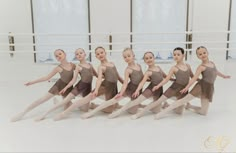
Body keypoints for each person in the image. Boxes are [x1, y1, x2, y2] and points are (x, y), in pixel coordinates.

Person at [154, 46, 231, 119]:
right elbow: (193, 78)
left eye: (204, 52)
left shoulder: (212, 63)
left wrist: (223, 76)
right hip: (201, 86)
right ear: (198, 56)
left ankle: (189, 106)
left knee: (204, 112)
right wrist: (187, 87)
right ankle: (162, 113)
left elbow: (215, 71)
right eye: (200, 54)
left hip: (209, 87)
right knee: (182, 101)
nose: (203, 55)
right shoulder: (201, 67)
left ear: (207, 53)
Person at [53, 46, 124, 121]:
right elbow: (99, 79)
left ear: (105, 53)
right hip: (104, 87)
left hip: (113, 87)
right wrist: (96, 90)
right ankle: (64, 113)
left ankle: (94, 105)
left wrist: (125, 84)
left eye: (101, 52)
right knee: (86, 100)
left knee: (110, 109)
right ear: (96, 56)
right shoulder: (101, 67)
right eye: (98, 54)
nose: (100, 55)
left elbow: (118, 76)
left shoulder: (112, 64)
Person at [11, 49, 75, 122]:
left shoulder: (72, 65)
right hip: (59, 86)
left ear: (65, 54)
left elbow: (81, 72)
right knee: (42, 99)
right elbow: (46, 77)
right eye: (56, 56)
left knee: (67, 108)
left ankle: (57, 102)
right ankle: (23, 112)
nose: (58, 56)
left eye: (60, 54)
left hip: (68, 88)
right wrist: (32, 82)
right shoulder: (58, 68)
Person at [35, 48, 97, 121]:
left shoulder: (90, 65)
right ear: (76, 57)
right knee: (64, 101)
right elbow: (73, 80)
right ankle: (45, 113)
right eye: (77, 54)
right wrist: (66, 88)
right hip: (79, 87)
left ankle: (72, 104)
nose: (79, 55)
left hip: (88, 88)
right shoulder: (78, 66)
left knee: (85, 110)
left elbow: (97, 75)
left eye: (81, 53)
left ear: (85, 54)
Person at [131, 47, 194, 119]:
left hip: (183, 90)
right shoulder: (174, 68)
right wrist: (158, 86)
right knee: (157, 102)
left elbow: (192, 76)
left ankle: (166, 105)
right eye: (174, 55)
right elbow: (166, 79)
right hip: (173, 88)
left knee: (179, 112)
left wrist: (199, 80)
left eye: (178, 54)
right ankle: (139, 114)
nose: (176, 56)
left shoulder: (188, 66)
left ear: (183, 55)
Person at [81, 48, 144, 119]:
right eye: (125, 57)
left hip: (133, 89)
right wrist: (121, 92)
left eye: (128, 56)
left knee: (132, 110)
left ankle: (136, 104)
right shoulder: (127, 69)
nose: (127, 58)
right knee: (111, 103)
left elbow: (140, 78)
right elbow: (124, 83)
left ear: (133, 55)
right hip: (119, 88)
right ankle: (92, 110)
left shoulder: (139, 66)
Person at [108, 51, 167, 119]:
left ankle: (159, 104)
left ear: (154, 58)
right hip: (140, 89)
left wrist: (171, 78)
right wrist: (136, 90)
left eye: (150, 57)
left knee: (156, 110)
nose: (149, 59)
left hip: (158, 90)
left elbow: (164, 76)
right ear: (144, 61)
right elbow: (141, 82)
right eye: (146, 58)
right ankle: (118, 112)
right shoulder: (146, 72)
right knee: (135, 103)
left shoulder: (154, 67)